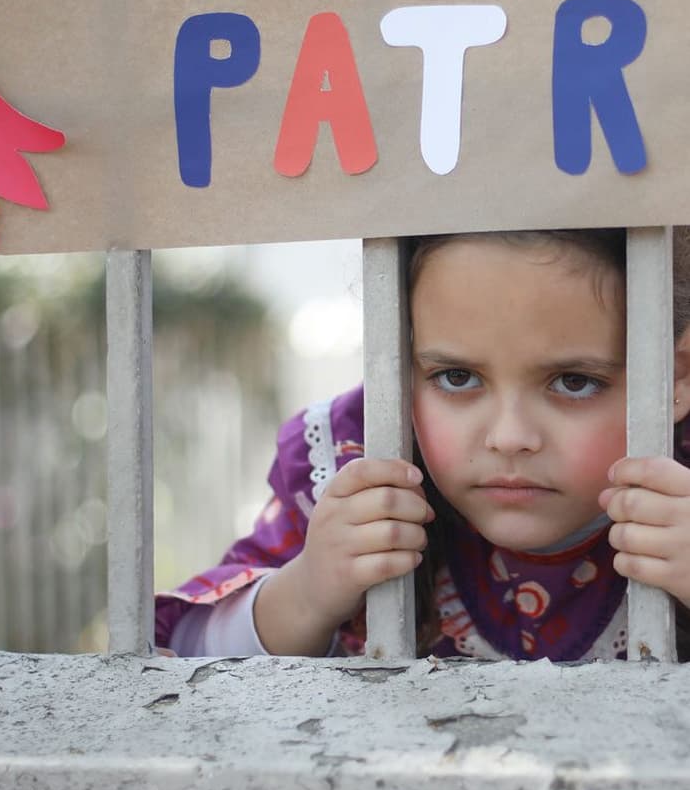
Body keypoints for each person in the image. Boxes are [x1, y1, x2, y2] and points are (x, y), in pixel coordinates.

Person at [155, 228, 690, 661]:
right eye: (456, 377)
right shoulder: (349, 463)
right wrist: (308, 592)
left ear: (676, 377)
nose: (508, 437)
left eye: (574, 381)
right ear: (402, 363)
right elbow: (179, 654)